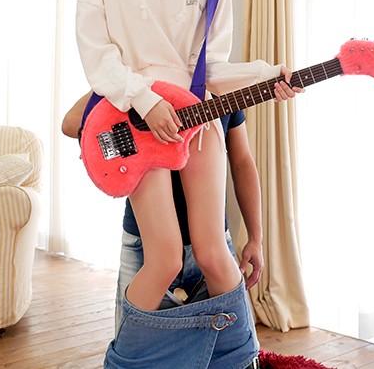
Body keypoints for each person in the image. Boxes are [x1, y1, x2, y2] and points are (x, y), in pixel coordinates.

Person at [74, 0, 303, 367]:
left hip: (195, 122)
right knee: (162, 258)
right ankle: (123, 364)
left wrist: (269, 75)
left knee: (216, 253)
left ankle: (241, 361)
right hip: (135, 119)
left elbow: (213, 67)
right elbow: (96, 52)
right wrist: (143, 98)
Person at [62, 93, 265, 334]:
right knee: (133, 343)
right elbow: (71, 123)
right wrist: (133, 96)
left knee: (230, 345)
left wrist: (255, 238)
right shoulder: (138, 81)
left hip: (215, 245)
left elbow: (242, 162)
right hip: (143, 246)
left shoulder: (219, 85)